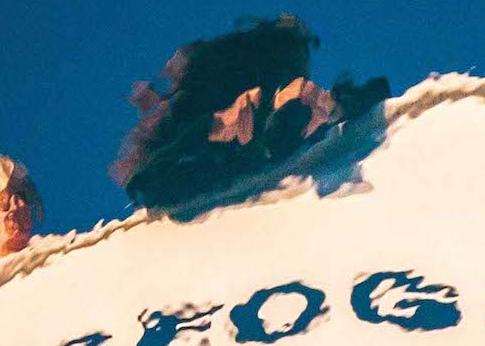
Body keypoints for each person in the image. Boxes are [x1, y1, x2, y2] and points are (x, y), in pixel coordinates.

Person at [111, 16, 389, 211]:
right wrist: (218, 127)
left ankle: (283, 125)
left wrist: (340, 105)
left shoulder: (283, 95)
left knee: (295, 105)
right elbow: (147, 181)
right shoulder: (221, 100)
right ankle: (272, 128)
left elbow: (369, 93)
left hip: (232, 151)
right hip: (193, 161)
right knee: (273, 108)